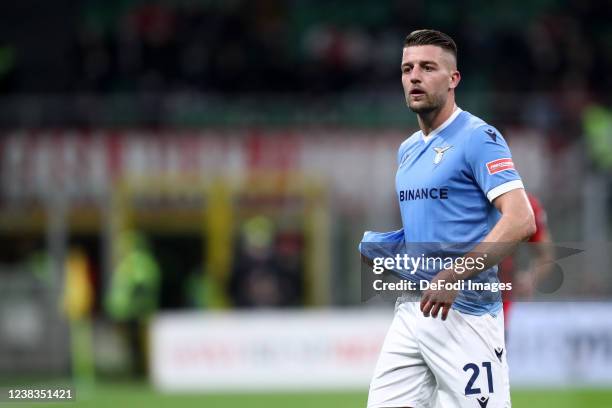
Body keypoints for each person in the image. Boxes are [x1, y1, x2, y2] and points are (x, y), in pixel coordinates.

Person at [361, 29, 535, 408]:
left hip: (465, 314)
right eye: (407, 68)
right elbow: (438, 226)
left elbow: (521, 220)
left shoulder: (478, 137)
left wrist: (453, 273)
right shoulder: (407, 150)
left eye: (427, 67)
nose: (415, 77)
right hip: (412, 309)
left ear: (453, 79)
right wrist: (391, 247)